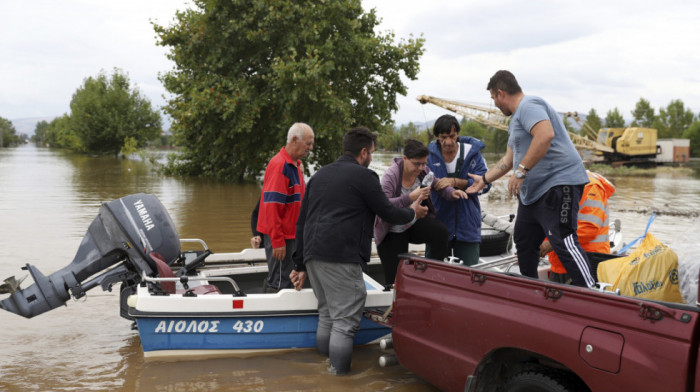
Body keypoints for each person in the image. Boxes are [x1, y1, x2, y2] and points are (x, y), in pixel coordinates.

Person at [290, 127, 428, 375]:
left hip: (312, 254)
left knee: (327, 315)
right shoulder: (365, 177)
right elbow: (388, 212)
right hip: (341, 256)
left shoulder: (319, 176)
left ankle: (323, 371)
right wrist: (413, 213)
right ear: (364, 152)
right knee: (344, 323)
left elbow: (301, 222)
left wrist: (299, 264)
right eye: (372, 152)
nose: (372, 157)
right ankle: (338, 379)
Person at [466, 70, 595, 288]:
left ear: (500, 93)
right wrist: (484, 180)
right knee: (524, 241)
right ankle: (530, 290)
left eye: (493, 99)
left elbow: (545, 135)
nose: (494, 105)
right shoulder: (516, 120)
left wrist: (521, 171)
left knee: (563, 240)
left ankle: (594, 293)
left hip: (558, 184)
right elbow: (508, 159)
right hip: (533, 195)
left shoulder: (529, 105)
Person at [375, 139, 467, 286]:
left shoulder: (424, 171)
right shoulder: (391, 176)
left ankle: (432, 276)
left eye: (424, 163)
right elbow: (384, 206)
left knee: (440, 232)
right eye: (417, 164)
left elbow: (437, 184)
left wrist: (452, 193)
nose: (421, 168)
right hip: (392, 230)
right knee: (396, 279)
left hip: (412, 223)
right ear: (405, 159)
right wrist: (410, 197)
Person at [257, 122, 314, 292]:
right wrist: (277, 241)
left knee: (286, 278)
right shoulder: (280, 165)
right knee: (279, 281)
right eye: (308, 143)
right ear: (295, 140)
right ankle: (271, 313)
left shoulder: (294, 166)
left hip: (291, 235)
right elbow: (272, 206)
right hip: (282, 237)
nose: (310, 148)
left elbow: (300, 201)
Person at [427, 114, 490, 266]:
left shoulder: (473, 153)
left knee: (471, 276)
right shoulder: (428, 155)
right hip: (438, 223)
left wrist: (455, 182)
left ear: (458, 134)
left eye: (452, 136)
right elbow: (422, 183)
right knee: (433, 275)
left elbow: (486, 185)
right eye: (443, 137)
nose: (448, 142)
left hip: (468, 225)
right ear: (437, 137)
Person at [540, 171, 616, 283]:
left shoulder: (591, 186)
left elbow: (588, 228)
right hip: (559, 263)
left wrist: (552, 242)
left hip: (588, 263)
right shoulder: (554, 184)